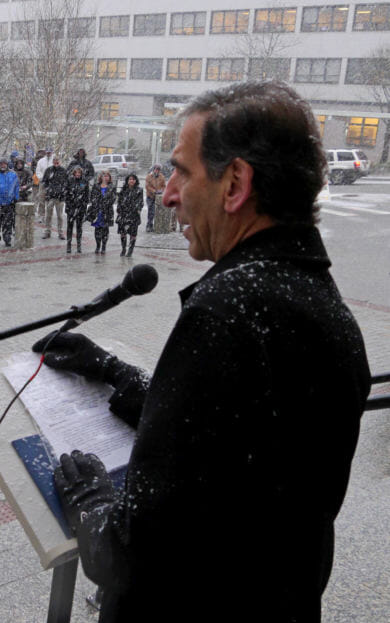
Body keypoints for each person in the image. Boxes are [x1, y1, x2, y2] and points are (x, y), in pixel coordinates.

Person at [34, 81, 370, 623]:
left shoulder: (229, 314)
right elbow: (237, 447)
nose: (167, 194)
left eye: (182, 171)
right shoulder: (314, 301)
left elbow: (128, 553)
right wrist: (116, 372)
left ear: (235, 183)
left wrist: (88, 499)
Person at [0, 158, 19, 247]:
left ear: (7, 165)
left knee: (7, 223)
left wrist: (15, 198)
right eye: (1, 164)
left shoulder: (13, 174)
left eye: (5, 164)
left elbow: (16, 187)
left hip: (9, 203)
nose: (3, 165)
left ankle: (7, 239)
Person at [88, 171, 116, 254]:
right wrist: (96, 204)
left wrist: (105, 204)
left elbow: (113, 199)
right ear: (100, 177)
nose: (105, 178)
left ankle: (104, 246)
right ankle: (97, 245)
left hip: (107, 211)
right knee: (97, 229)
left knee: (105, 229)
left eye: (107, 176)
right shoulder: (96, 186)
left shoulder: (112, 187)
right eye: (104, 176)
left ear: (109, 178)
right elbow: (92, 197)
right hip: (97, 210)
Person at [41, 155, 68, 240]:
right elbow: (44, 181)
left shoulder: (63, 171)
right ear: (52, 162)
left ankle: (60, 232)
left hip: (60, 197)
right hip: (50, 196)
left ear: (60, 161)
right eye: (54, 160)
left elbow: (66, 183)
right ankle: (47, 231)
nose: (56, 162)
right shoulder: (49, 170)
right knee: (48, 215)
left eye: (57, 160)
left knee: (60, 216)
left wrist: (63, 192)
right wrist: (47, 190)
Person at [116, 173, 142, 257]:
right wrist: (120, 209)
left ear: (136, 181)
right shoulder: (123, 190)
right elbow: (119, 201)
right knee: (123, 233)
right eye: (130, 179)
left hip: (134, 215)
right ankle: (123, 249)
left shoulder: (139, 190)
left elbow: (140, 202)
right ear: (127, 180)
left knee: (133, 233)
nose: (131, 181)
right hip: (123, 214)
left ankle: (130, 250)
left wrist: (136, 208)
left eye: (133, 179)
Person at [64, 165, 89, 254]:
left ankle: (79, 245)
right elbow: (66, 194)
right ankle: (69, 245)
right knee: (69, 227)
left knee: (79, 227)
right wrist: (68, 206)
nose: (78, 174)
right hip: (71, 207)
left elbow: (86, 196)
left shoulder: (84, 181)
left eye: (79, 172)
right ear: (74, 173)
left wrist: (84, 207)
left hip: (80, 208)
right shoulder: (70, 181)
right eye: (76, 172)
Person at [144, 164, 167, 232]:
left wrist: (161, 191)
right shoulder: (149, 176)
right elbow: (147, 186)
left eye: (158, 169)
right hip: (150, 196)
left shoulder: (162, 177)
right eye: (156, 169)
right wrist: (154, 191)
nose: (157, 171)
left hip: (158, 197)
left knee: (156, 212)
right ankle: (149, 225)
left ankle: (156, 225)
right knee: (151, 211)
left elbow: (164, 186)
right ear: (153, 169)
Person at [34, 147, 54, 223]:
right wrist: (42, 178)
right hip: (43, 183)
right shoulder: (41, 161)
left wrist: (52, 178)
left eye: (50, 152)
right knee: (41, 199)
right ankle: (41, 215)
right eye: (47, 152)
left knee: (50, 201)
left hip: (52, 184)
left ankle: (49, 216)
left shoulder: (54, 160)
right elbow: (38, 171)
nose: (49, 153)